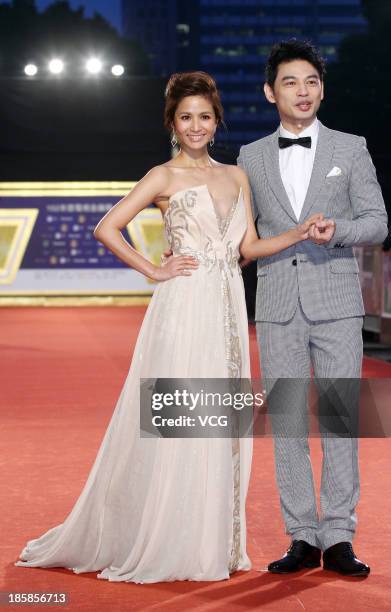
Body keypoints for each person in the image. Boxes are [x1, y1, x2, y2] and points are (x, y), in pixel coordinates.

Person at [15, 71, 321, 584]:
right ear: (173, 124)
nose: (196, 126)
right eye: (186, 118)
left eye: (204, 116)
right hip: (182, 308)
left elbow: (247, 250)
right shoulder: (163, 176)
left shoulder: (236, 176)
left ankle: (208, 541)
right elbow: (106, 227)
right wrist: (154, 269)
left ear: (216, 120)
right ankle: (169, 538)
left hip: (226, 307)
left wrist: (297, 232)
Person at [237, 40, 388, 577]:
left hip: (337, 303)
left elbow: (377, 220)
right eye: (290, 82)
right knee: (286, 423)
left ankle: (339, 536)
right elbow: (242, 233)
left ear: (322, 89)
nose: (303, 92)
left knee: (341, 420)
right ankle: (301, 535)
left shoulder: (351, 147)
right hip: (277, 304)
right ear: (269, 92)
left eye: (311, 82)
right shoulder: (250, 156)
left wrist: (338, 231)